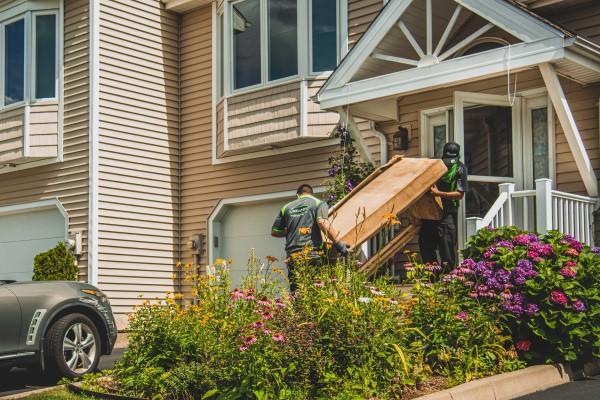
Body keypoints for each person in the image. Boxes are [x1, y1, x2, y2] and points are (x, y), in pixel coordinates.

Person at [271, 184, 349, 291]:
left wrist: (291, 229)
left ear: (298, 195)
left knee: (297, 291)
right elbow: (322, 222)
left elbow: (275, 231)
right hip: (312, 253)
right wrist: (338, 243)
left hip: (293, 255)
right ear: (311, 193)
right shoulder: (318, 203)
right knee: (315, 290)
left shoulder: (286, 207)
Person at [418, 142, 468, 270]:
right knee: (425, 242)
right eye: (447, 159)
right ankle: (431, 274)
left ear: (458, 156)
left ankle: (448, 276)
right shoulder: (435, 166)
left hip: (448, 212)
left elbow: (459, 194)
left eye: (452, 159)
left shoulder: (460, 168)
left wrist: (439, 193)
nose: (449, 162)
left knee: (446, 244)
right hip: (430, 211)